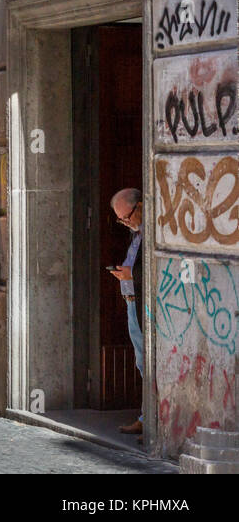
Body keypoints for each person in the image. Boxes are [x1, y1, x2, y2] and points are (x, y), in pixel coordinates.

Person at [109, 187, 144, 440]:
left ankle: (150, 420)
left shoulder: (153, 231)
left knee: (147, 363)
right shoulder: (136, 233)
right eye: (120, 219)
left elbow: (161, 269)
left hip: (145, 307)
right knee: (142, 362)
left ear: (140, 206)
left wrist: (132, 276)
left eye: (127, 217)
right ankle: (146, 418)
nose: (125, 223)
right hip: (132, 302)